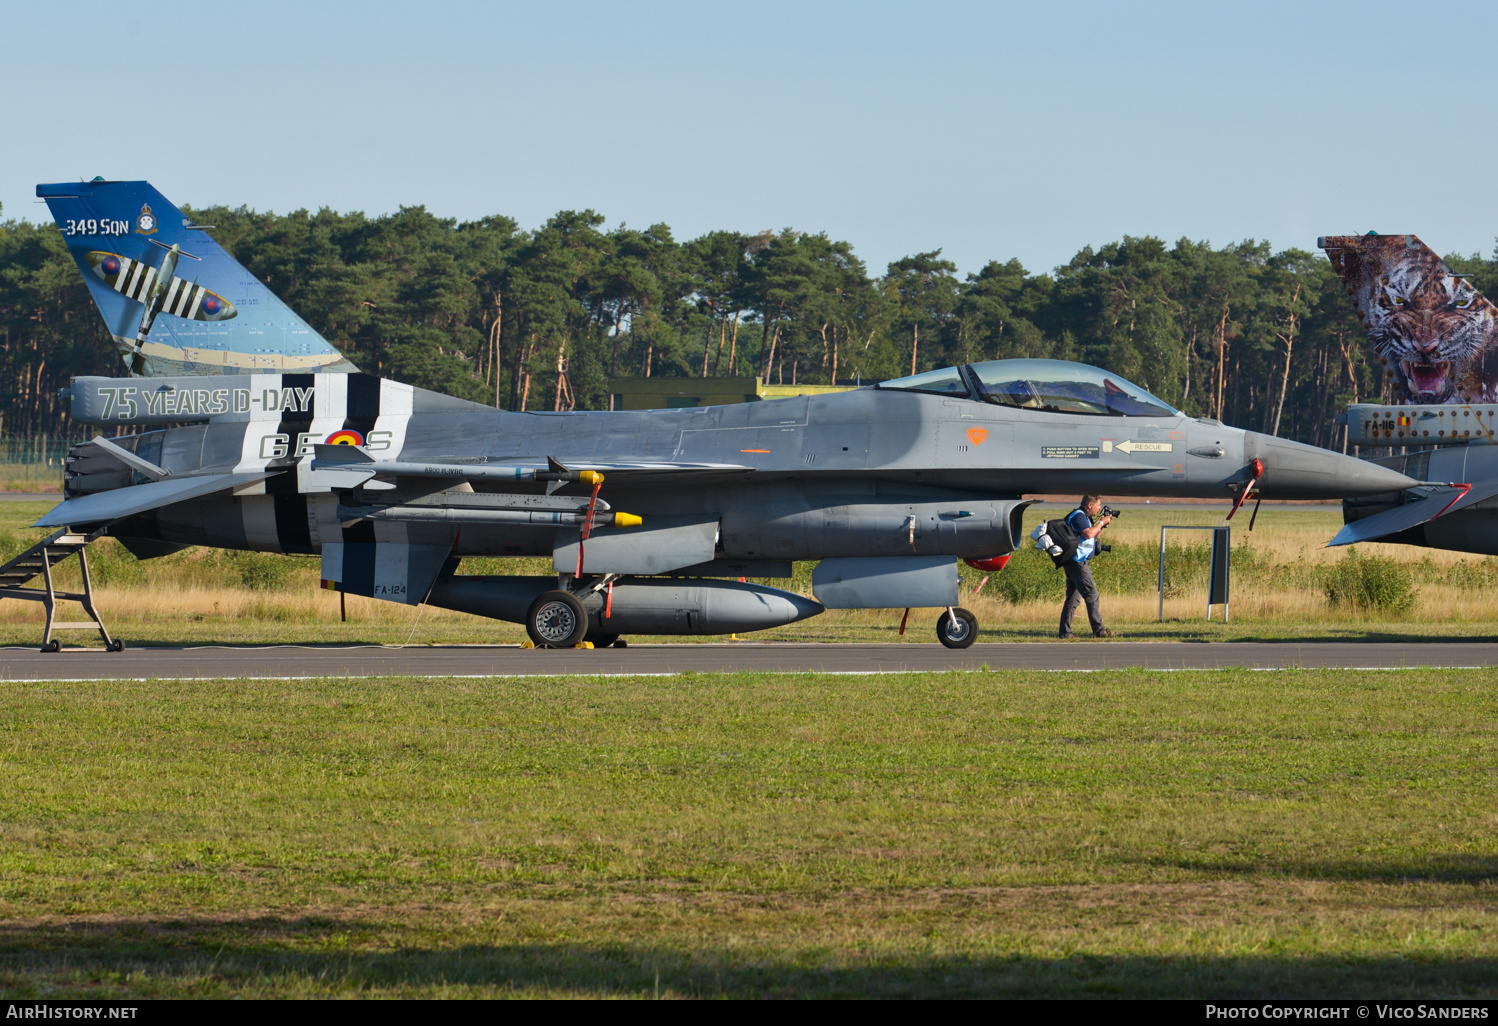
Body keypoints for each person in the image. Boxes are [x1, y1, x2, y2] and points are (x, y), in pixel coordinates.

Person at [1059, 495, 1117, 639]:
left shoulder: (1085, 517)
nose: (1099, 508)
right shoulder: (1079, 516)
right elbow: (1089, 533)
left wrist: (1104, 525)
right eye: (1098, 505)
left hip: (1078, 560)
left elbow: (1094, 536)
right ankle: (1099, 631)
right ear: (1089, 505)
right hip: (1077, 561)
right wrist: (1101, 522)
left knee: (1073, 598)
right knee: (1092, 594)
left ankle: (1065, 632)